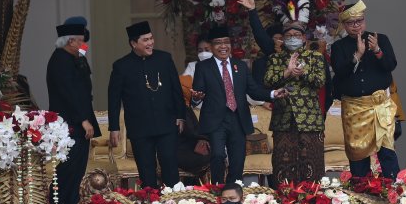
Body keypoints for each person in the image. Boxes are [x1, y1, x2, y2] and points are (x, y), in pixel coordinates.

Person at [191, 25, 288, 185]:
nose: (223, 46)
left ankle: (234, 190)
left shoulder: (240, 66)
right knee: (218, 155)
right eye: (218, 43)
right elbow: (197, 92)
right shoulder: (203, 67)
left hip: (238, 118)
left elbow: (254, 90)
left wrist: (273, 94)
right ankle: (217, 190)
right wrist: (196, 98)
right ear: (211, 46)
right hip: (216, 121)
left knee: (237, 159)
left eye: (226, 42)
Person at [108, 21, 185, 188]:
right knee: (146, 170)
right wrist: (114, 127)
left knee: (170, 166)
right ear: (133, 43)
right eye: (145, 40)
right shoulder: (121, 66)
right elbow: (114, 99)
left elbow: (176, 89)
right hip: (140, 127)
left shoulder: (164, 58)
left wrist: (180, 115)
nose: (150, 43)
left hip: (166, 123)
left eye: (151, 38)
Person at [330, 0, 399, 179]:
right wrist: (357, 56)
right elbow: (340, 72)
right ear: (345, 25)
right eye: (351, 23)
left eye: (359, 21)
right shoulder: (338, 47)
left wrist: (376, 49)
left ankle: (393, 192)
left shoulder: (380, 39)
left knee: (387, 152)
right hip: (355, 109)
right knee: (358, 156)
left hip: (380, 107)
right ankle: (361, 194)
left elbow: (390, 65)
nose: (356, 25)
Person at [46, 22, 100, 204]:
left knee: (78, 167)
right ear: (71, 41)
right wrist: (83, 120)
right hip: (70, 123)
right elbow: (69, 93)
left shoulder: (74, 58)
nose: (85, 44)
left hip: (79, 121)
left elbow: (84, 82)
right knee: (69, 166)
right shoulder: (60, 59)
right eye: (81, 40)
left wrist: (82, 54)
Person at [264, 21, 326, 184]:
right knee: (283, 162)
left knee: (312, 161)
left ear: (304, 38)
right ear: (283, 39)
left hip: (309, 118)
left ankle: (313, 201)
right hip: (283, 117)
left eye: (297, 35)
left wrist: (303, 73)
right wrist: (286, 73)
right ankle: (285, 201)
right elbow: (268, 82)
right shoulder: (275, 58)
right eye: (289, 36)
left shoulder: (315, 57)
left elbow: (320, 81)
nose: (293, 39)